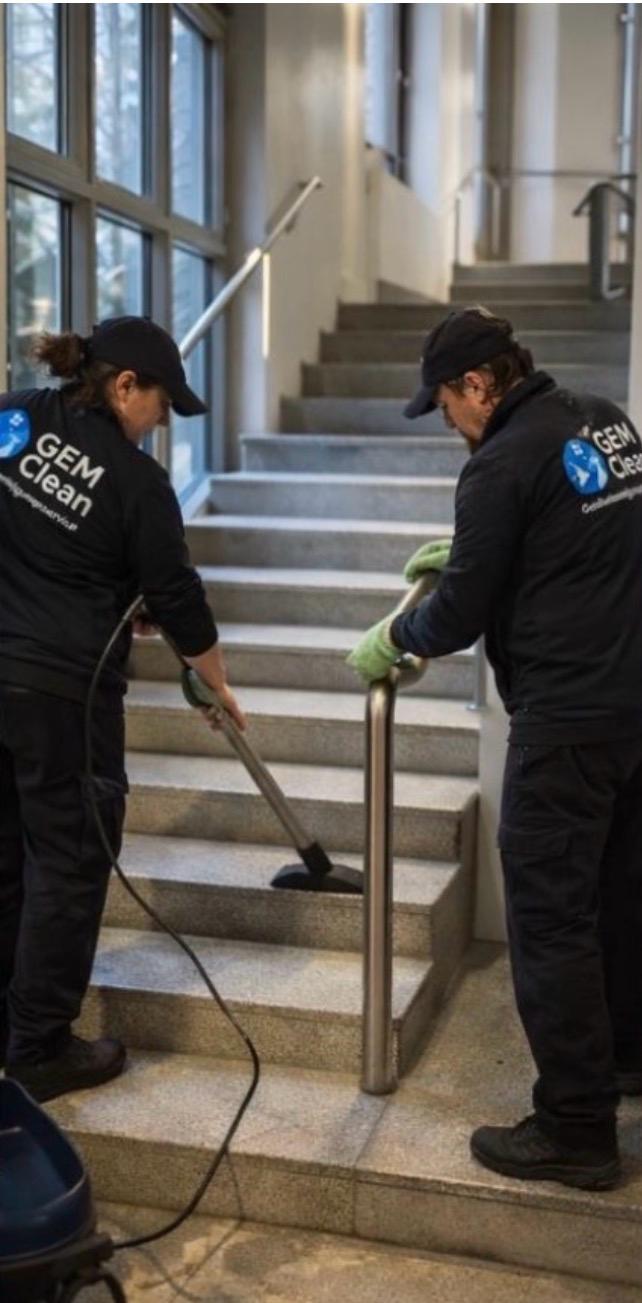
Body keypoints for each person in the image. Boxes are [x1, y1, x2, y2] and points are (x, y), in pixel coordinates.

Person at [348, 306, 642, 1191]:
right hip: (631, 705)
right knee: (618, 889)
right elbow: (586, 539)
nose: (447, 421)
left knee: (550, 915)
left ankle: (577, 1126)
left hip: (566, 718)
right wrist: (491, 547)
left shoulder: (500, 463)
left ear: (478, 384)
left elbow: (457, 615)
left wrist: (397, 635)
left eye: (445, 403)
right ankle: (624, 1055)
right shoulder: (606, 420)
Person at [0, 315, 245, 1104]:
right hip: (62, 696)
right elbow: (178, 595)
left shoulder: (15, 416)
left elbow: (59, 548)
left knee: (8, 852)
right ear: (124, 384)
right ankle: (39, 1047)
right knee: (70, 861)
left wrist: (109, 594)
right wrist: (216, 680)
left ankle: (8, 1023)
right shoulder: (138, 482)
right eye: (161, 404)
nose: (162, 422)